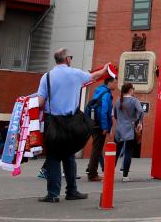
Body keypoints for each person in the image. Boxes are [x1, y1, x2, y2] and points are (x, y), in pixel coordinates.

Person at [37, 48, 113, 203]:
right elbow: (94, 76)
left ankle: (53, 194)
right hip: (73, 123)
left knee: (53, 157)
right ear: (67, 59)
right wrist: (105, 69)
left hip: (53, 123)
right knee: (69, 155)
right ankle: (72, 191)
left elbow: (40, 103)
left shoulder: (47, 77)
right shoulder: (75, 74)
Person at [85, 76, 117, 181]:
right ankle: (92, 174)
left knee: (96, 148)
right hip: (100, 125)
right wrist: (105, 127)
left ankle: (91, 170)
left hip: (94, 123)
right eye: (114, 83)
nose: (116, 85)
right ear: (109, 83)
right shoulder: (106, 94)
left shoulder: (99, 91)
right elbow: (104, 111)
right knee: (97, 149)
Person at [113, 82, 144, 181]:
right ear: (130, 90)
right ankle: (125, 176)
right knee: (128, 152)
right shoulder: (134, 100)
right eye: (133, 89)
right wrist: (139, 122)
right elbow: (141, 111)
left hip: (119, 129)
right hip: (130, 129)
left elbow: (116, 115)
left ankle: (109, 172)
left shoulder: (118, 101)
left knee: (116, 152)